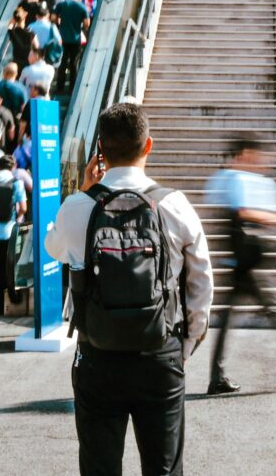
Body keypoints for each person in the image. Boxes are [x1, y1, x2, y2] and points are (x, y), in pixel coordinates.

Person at [47, 102, 213, 476]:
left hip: (97, 355)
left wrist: (84, 189)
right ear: (148, 145)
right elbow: (202, 282)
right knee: (164, 468)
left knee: (99, 467)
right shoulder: (174, 204)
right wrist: (185, 346)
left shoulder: (77, 207)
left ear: (100, 151)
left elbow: (53, 248)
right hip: (160, 352)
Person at [204, 137, 276, 393]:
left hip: (246, 260)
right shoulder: (234, 179)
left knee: (240, 316)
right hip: (245, 260)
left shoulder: (249, 181)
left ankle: (217, 377)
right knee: (272, 310)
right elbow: (241, 212)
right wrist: (275, 218)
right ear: (240, 156)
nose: (257, 161)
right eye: (251, 156)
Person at [0, 150, 25, 318]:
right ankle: (3, 304)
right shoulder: (17, 182)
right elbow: (23, 207)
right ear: (13, 167)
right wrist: (19, 217)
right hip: (7, 231)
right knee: (5, 267)